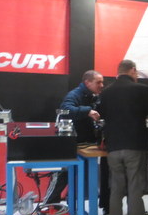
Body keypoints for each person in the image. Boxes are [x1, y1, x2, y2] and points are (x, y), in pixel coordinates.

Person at [98, 60, 148, 215]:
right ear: (132, 70)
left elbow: (101, 115)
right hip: (135, 146)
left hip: (113, 147)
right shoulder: (142, 90)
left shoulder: (106, 92)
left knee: (116, 190)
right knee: (135, 190)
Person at [44, 70, 104, 204]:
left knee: (79, 178)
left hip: (84, 145)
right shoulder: (74, 95)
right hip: (68, 145)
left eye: (102, 82)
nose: (102, 85)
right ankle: (47, 205)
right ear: (87, 83)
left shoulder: (93, 97)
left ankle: (70, 206)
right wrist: (87, 111)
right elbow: (65, 110)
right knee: (61, 176)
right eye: (98, 82)